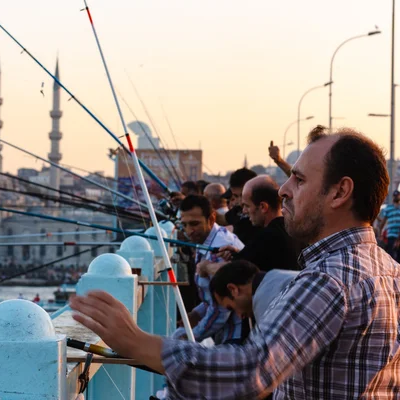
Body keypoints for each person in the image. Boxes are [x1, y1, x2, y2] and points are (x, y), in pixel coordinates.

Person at [70, 126, 400, 398]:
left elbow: (253, 370)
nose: (284, 190)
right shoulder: (390, 271)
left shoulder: (328, 279)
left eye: (299, 180)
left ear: (339, 193)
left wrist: (137, 342)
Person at [173, 195, 245, 344]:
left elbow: (221, 309)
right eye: (184, 225)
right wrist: (196, 314)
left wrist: (189, 337)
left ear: (211, 219)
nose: (189, 231)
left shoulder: (219, 249)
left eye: (194, 224)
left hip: (236, 337)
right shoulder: (210, 238)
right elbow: (211, 298)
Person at [216, 175, 301, 272]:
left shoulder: (266, 238)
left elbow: (235, 272)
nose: (244, 211)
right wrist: (238, 253)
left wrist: (207, 267)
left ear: (263, 207)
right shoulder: (295, 232)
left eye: (247, 206)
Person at [209, 260, 298, 326]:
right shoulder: (278, 276)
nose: (240, 316)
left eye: (231, 308)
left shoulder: (265, 304)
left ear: (233, 289)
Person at [223, 168, 262, 244]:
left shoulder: (261, 214)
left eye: (243, 195)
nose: (240, 202)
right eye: (236, 196)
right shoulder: (233, 213)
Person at [376, 190, 400, 259]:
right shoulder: (388, 208)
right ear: (393, 197)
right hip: (391, 235)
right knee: (391, 257)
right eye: (395, 196)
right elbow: (383, 222)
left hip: (398, 236)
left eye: (397, 195)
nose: (396, 197)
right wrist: (380, 234)